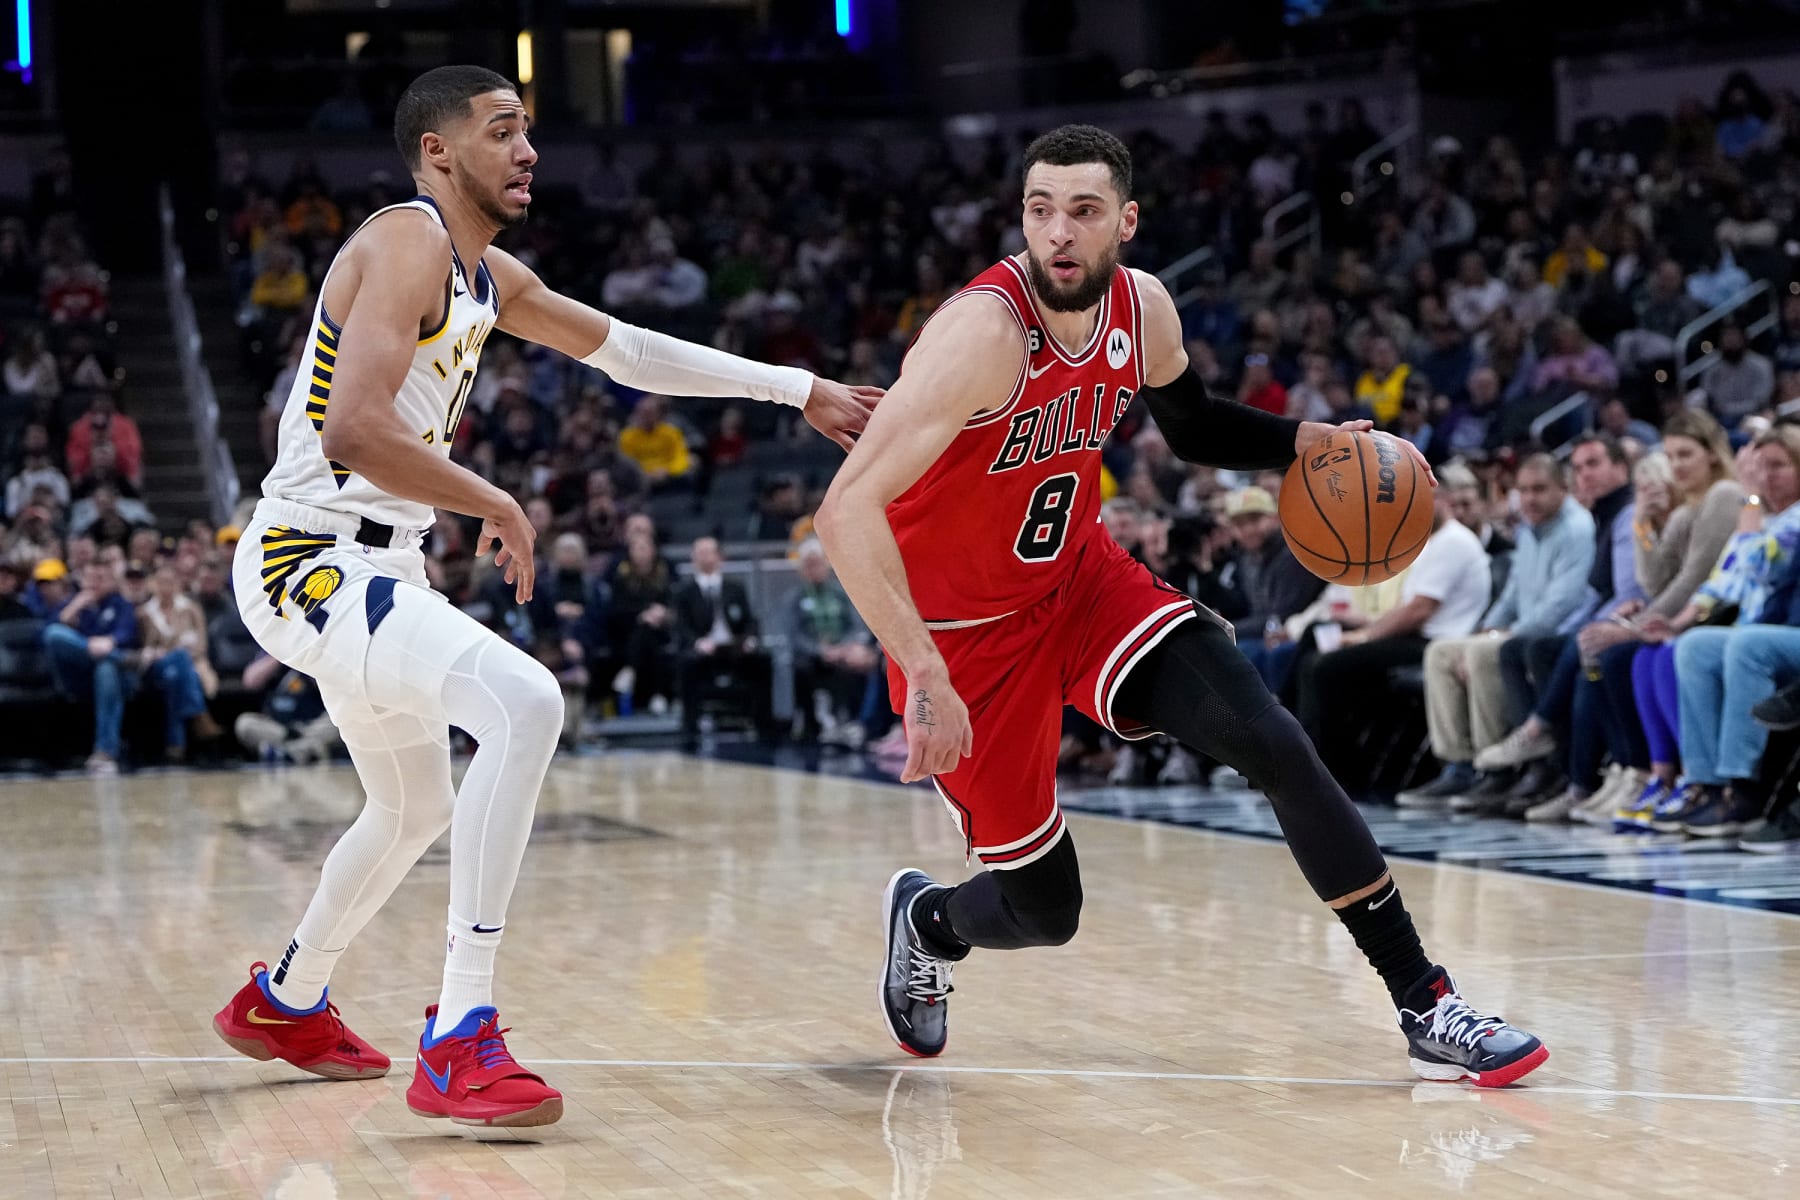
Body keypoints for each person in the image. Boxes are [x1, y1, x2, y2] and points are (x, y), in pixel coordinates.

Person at [211, 65, 879, 1129]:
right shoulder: (407, 239)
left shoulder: (489, 276)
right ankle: (459, 1034)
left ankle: (286, 998)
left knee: (413, 805)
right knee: (525, 703)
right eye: (503, 131)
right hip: (309, 557)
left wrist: (797, 390)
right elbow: (351, 428)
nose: (529, 151)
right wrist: (498, 501)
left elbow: (631, 353)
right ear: (438, 152)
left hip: (381, 565)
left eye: (529, 131)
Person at [815, 125, 1545, 1087]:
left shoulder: (1141, 306)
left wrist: (1301, 441)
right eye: (1040, 211)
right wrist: (924, 672)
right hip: (964, 638)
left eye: (1081, 211)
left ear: (1124, 219)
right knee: (1045, 910)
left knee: (1274, 741)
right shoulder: (982, 337)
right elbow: (844, 510)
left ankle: (1427, 1002)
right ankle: (930, 920)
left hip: (1081, 583)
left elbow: (1193, 424)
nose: (1059, 233)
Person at [41, 558, 138, 775]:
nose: (95, 583)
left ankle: (105, 753)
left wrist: (111, 642)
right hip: (79, 675)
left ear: (112, 582)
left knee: (106, 668)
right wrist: (74, 609)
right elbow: (50, 634)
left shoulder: (121, 604)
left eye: (101, 579)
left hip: (118, 677)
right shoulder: (75, 605)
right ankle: (110, 656)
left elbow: (126, 632)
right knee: (54, 633)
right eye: (90, 578)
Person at [672, 536, 771, 746]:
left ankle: (764, 726)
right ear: (693, 558)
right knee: (687, 664)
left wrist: (749, 639)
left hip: (733, 647)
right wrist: (698, 642)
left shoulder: (735, 588)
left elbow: (750, 619)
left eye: (709, 552)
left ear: (720, 557)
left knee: (763, 661)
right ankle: (690, 727)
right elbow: (682, 627)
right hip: (703, 650)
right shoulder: (684, 593)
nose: (705, 558)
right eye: (700, 553)